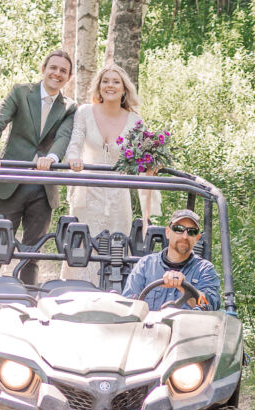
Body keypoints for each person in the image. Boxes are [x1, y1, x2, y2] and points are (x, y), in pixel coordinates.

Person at [0, 49, 77, 285]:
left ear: (69, 77)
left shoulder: (69, 107)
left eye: (63, 71)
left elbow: (63, 137)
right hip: (10, 182)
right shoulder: (21, 93)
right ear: (43, 69)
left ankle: (28, 302)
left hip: (42, 189)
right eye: (53, 68)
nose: (57, 73)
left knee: (32, 253)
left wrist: (52, 157)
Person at [61, 63, 161, 283]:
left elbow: (142, 158)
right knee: (82, 242)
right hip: (88, 190)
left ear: (124, 89)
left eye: (116, 82)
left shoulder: (135, 121)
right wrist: (73, 159)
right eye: (105, 81)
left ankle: (114, 290)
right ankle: (77, 289)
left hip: (118, 195)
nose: (110, 85)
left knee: (117, 244)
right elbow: (75, 142)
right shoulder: (84, 112)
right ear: (99, 87)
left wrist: (151, 165)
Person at [121, 209, 221, 311]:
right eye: (178, 229)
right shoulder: (145, 265)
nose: (185, 236)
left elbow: (210, 305)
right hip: (149, 325)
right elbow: (127, 306)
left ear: (197, 238)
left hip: (187, 326)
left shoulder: (204, 269)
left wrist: (186, 288)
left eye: (192, 231)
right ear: (168, 232)